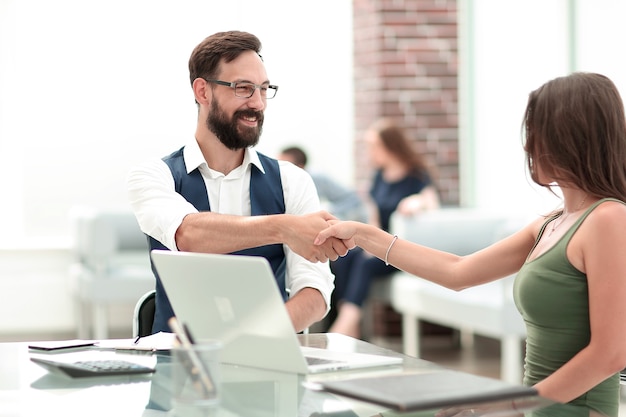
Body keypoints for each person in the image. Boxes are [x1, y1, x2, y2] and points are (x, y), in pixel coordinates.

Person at [315, 72, 626, 416]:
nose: (527, 146)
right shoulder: (551, 224)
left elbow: (610, 353)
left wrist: (503, 404)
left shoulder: (608, 220)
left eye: (536, 133)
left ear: (569, 137)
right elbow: (457, 271)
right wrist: (363, 235)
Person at [127, 31, 347, 335]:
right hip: (176, 366)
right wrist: (285, 227)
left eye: (264, 89)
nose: (258, 103)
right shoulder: (153, 176)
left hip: (267, 363)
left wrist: (252, 340)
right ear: (203, 92)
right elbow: (187, 235)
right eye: (243, 88)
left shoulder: (291, 181)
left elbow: (315, 289)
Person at [327, 118, 441, 338]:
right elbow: (374, 214)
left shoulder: (415, 176)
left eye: (373, 145)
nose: (369, 151)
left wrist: (417, 202)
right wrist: (370, 242)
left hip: (402, 250)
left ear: (388, 146)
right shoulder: (380, 176)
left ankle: (345, 326)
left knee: (364, 264)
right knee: (343, 257)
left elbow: (431, 202)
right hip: (381, 245)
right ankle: (351, 325)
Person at [277, 145, 368, 222]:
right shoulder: (281, 183)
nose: (281, 170)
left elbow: (353, 199)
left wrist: (330, 209)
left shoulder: (317, 178)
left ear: (301, 167)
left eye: (286, 165)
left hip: (349, 215)